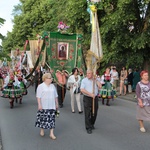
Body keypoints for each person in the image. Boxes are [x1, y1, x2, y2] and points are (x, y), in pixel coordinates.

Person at [35, 73, 58, 139]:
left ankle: (51, 133)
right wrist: (39, 104)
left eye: (51, 78)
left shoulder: (53, 86)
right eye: (50, 78)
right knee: (43, 119)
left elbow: (56, 96)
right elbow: (38, 96)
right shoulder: (40, 86)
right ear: (45, 79)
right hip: (44, 105)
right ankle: (42, 130)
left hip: (52, 105)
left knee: (52, 119)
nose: (51, 79)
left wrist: (56, 104)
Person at [80, 69, 101, 134]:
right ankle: (88, 127)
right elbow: (82, 89)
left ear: (92, 74)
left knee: (94, 112)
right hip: (87, 98)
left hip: (95, 98)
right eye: (87, 73)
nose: (88, 74)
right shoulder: (84, 80)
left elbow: (100, 86)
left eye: (89, 73)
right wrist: (90, 94)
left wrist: (96, 80)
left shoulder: (95, 80)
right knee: (87, 113)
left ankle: (92, 123)